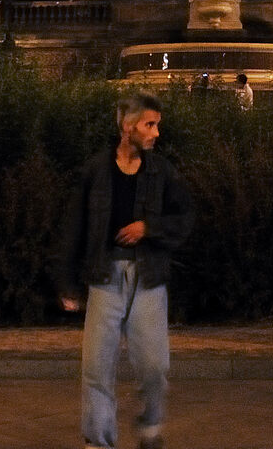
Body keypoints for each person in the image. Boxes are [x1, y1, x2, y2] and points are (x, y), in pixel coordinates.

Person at [59, 91, 195, 449]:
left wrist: (148, 228)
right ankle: (98, 441)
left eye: (156, 125)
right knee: (96, 369)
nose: (155, 133)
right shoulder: (96, 170)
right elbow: (73, 226)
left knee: (154, 367)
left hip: (148, 279)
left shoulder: (161, 171)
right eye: (149, 125)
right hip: (104, 278)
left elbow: (185, 218)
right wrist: (67, 283)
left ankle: (150, 426)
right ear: (127, 126)